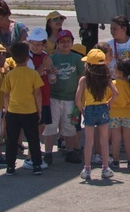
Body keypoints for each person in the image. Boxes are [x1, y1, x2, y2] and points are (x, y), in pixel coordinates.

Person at [1, 42, 44, 176]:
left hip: (13, 111)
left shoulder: (10, 75)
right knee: (33, 139)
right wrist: (39, 110)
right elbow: (37, 93)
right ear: (27, 58)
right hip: (30, 111)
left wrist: (7, 108)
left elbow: (6, 93)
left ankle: (10, 166)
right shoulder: (33, 74)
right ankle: (36, 165)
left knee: (12, 140)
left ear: (13, 58)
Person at [75, 48, 118, 182]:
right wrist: (109, 103)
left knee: (89, 141)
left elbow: (77, 99)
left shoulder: (84, 80)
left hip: (89, 109)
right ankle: (105, 168)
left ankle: (87, 169)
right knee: (104, 141)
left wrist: (82, 109)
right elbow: (116, 93)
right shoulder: (106, 78)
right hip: (103, 108)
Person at [46, 28, 83, 163]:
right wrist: (51, 72)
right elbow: (48, 77)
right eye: (62, 42)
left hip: (71, 99)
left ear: (72, 42)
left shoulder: (77, 59)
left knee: (70, 125)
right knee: (51, 125)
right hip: (54, 97)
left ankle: (70, 151)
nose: (65, 44)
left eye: (68, 41)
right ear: (58, 44)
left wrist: (79, 98)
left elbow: (81, 78)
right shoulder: (51, 58)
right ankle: (48, 153)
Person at [25, 27, 56, 167]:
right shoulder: (28, 58)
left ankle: (33, 157)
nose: (35, 47)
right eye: (33, 44)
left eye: (38, 44)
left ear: (44, 45)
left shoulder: (45, 56)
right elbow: (33, 77)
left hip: (44, 96)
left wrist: (51, 71)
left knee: (41, 127)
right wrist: (44, 66)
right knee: (35, 130)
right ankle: (31, 158)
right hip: (34, 98)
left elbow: (51, 78)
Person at [109, 59, 130, 169]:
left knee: (115, 139)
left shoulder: (112, 84)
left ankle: (115, 161)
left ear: (119, 72)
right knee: (128, 139)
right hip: (128, 115)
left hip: (113, 114)